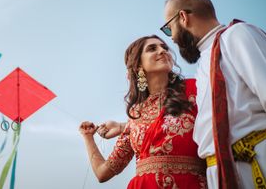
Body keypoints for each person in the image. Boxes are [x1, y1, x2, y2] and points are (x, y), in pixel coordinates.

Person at [161, 0, 266, 188]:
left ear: (183, 17)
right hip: (221, 176)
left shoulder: (237, 35)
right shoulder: (205, 62)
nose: (172, 38)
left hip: (261, 168)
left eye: (168, 28)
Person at [79, 35, 207, 188]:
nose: (162, 51)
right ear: (139, 65)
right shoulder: (135, 114)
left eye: (164, 48)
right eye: (152, 49)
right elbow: (103, 173)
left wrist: (120, 126)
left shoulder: (196, 90)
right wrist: (88, 137)